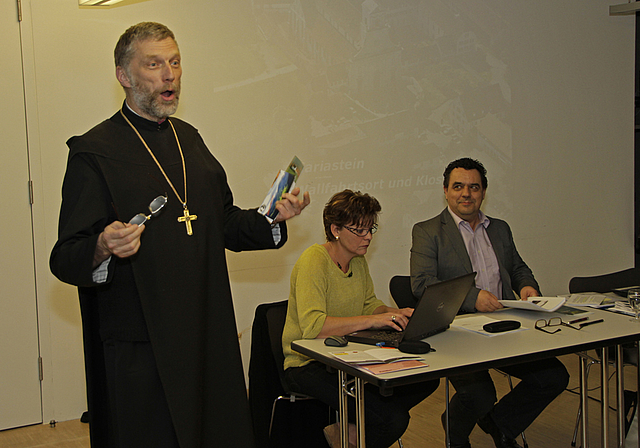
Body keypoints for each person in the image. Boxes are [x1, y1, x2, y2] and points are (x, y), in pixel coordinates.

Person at [49, 22, 310, 448]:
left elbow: (221, 221)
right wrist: (101, 245)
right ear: (124, 76)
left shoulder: (190, 140)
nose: (170, 75)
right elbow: (65, 256)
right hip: (143, 345)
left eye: (175, 62)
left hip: (206, 333)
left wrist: (271, 219)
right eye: (154, 64)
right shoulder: (93, 152)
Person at [410, 158, 569, 448]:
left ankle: (500, 423)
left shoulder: (500, 228)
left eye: (474, 187)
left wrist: (528, 286)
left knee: (553, 377)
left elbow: (518, 267)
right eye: (458, 186)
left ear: (483, 192)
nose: (466, 194)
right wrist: (473, 297)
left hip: (508, 325)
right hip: (458, 333)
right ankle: (456, 434)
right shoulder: (427, 231)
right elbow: (421, 284)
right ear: (445, 191)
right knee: (479, 394)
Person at [282, 190, 439, 448]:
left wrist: (393, 314)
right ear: (335, 229)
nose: (368, 237)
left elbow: (369, 304)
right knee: (392, 420)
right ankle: (359, 430)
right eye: (360, 230)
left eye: (371, 229)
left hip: (347, 359)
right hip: (307, 364)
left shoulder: (358, 261)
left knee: (425, 378)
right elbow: (314, 327)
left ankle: (350, 430)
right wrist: (372, 320)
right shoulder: (314, 260)